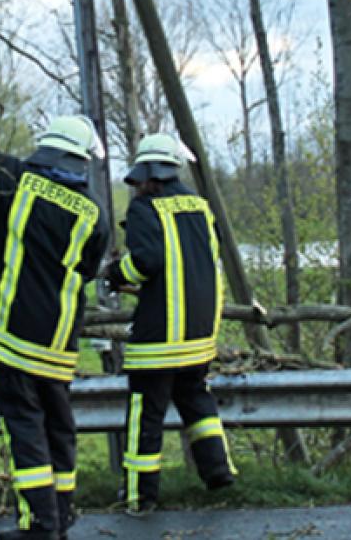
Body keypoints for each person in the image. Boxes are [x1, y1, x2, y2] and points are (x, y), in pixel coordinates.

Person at [0, 115, 110, 539]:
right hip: (58, 341)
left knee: (25, 428)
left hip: (13, 337)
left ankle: (40, 525)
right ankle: (61, 516)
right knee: (58, 427)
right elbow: (85, 270)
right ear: (81, 161)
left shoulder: (15, 178)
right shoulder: (96, 215)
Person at [105, 132, 236, 516]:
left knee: (145, 416)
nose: (137, 187)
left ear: (150, 175)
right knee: (197, 401)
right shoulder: (200, 206)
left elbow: (146, 262)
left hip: (159, 341)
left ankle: (138, 496)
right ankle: (219, 473)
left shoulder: (148, 209)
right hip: (199, 336)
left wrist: (115, 272)